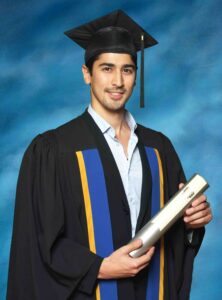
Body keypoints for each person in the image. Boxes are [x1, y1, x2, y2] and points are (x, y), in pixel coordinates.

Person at [7, 10, 212, 300]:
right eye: (106, 68)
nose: (117, 81)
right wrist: (99, 268)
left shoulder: (159, 149)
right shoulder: (54, 149)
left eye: (127, 69)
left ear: (135, 76)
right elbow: (38, 244)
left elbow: (176, 243)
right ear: (87, 74)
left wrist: (192, 224)